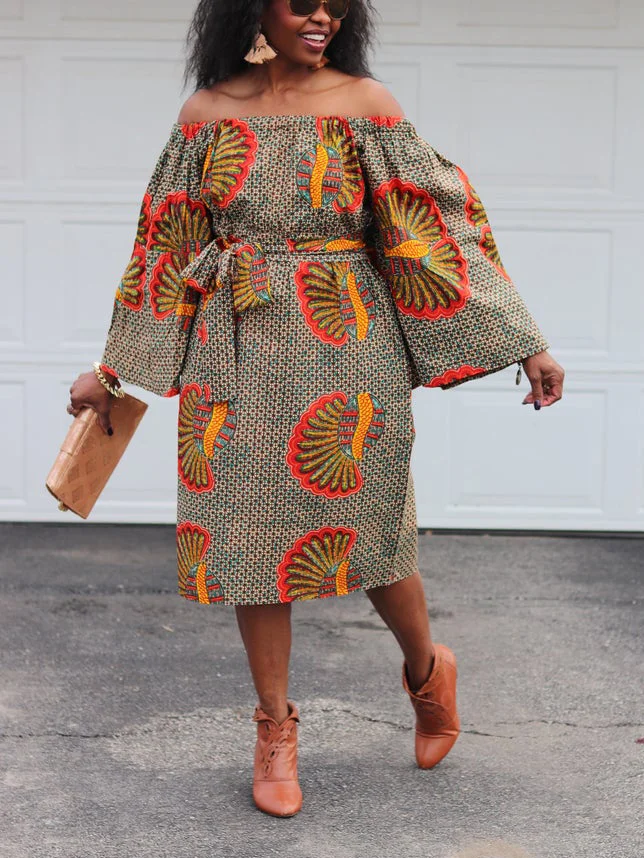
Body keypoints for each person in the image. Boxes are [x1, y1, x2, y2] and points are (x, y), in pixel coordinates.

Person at [67, 0, 565, 819]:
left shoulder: (366, 105)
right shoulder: (205, 116)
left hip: (349, 346)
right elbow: (163, 247)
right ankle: (274, 728)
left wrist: (524, 340)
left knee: (373, 529)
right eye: (303, 1)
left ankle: (426, 671)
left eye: (336, 3)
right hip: (232, 350)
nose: (322, 16)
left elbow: (437, 228)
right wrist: (114, 369)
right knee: (249, 538)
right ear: (255, 7)